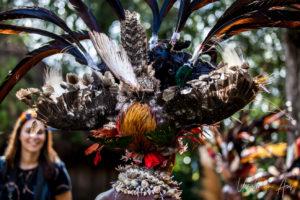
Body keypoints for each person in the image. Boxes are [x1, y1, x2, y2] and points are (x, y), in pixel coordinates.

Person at [0, 109, 72, 200]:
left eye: (39, 132)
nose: (34, 136)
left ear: (46, 137)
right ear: (19, 135)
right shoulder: (1, 166)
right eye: (28, 131)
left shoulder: (57, 171)